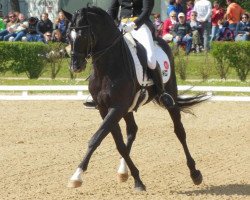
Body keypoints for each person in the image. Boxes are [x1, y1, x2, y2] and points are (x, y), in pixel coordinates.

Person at [107, 0, 175, 108]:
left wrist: (134, 24)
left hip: (140, 26)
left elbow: (147, 10)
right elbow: (111, 11)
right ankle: (100, 92)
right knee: (106, 53)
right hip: (122, 26)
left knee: (150, 60)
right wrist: (110, 26)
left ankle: (162, 93)